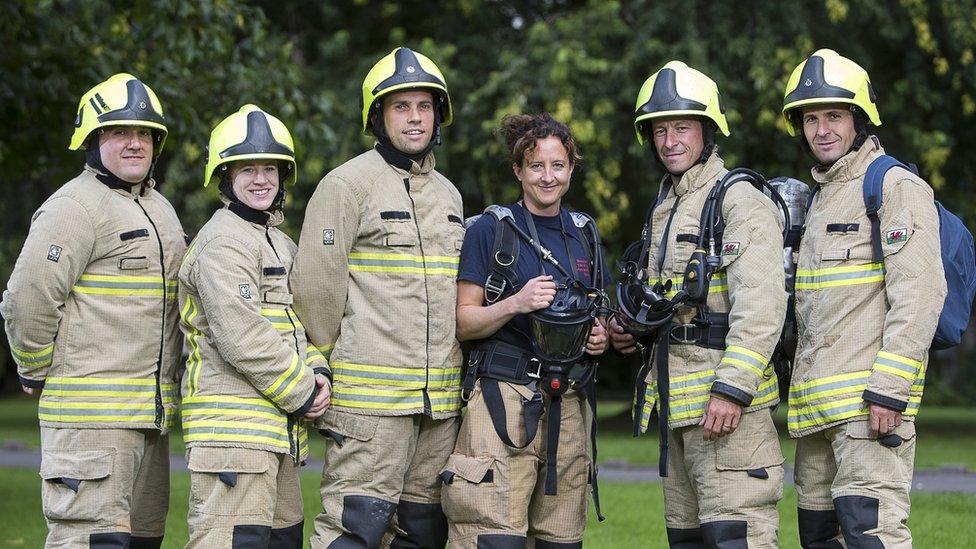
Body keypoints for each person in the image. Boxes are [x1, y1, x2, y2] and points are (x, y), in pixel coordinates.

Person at [0, 73, 186, 548]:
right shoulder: (74, 207)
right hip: (91, 427)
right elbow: (27, 296)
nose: (133, 143)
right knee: (90, 541)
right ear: (90, 140)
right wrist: (35, 365)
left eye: (144, 133)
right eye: (118, 132)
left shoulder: (160, 208)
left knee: (142, 540)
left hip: (149, 419)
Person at [609, 61, 787, 547]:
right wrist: (631, 329)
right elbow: (665, 302)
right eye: (660, 130)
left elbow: (762, 307)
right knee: (686, 540)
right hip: (679, 410)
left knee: (737, 538)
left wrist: (732, 389)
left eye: (682, 127)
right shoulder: (666, 204)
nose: (669, 141)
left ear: (708, 130)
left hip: (728, 413)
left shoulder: (739, 199)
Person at [291, 47, 464, 548]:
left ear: (438, 115)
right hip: (369, 406)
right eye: (400, 107)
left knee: (422, 533)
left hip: (438, 406)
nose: (414, 118)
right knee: (355, 530)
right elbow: (316, 291)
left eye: (424, 106)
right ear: (378, 116)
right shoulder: (346, 185)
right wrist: (323, 364)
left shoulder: (450, 196)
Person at [781, 49, 945, 548]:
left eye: (834, 115)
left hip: (869, 414)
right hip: (816, 415)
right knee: (820, 538)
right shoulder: (823, 195)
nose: (822, 129)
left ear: (859, 119)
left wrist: (890, 391)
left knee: (872, 536)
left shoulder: (893, 186)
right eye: (811, 118)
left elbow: (919, 292)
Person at [443, 113, 609, 548]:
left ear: (572, 168)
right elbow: (463, 321)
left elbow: (597, 314)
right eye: (536, 166)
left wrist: (599, 337)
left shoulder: (585, 234)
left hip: (570, 403)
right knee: (492, 537)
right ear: (518, 171)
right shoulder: (489, 231)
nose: (548, 177)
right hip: (502, 399)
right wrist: (516, 302)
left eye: (558, 165)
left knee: (561, 540)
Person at [178, 105, 330, 547]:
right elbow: (242, 336)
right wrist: (304, 392)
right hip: (232, 436)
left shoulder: (278, 241)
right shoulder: (223, 242)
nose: (261, 179)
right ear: (225, 177)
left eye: (271, 169)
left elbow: (296, 323)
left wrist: (318, 371)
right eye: (248, 169)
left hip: (273, 435)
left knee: (282, 539)